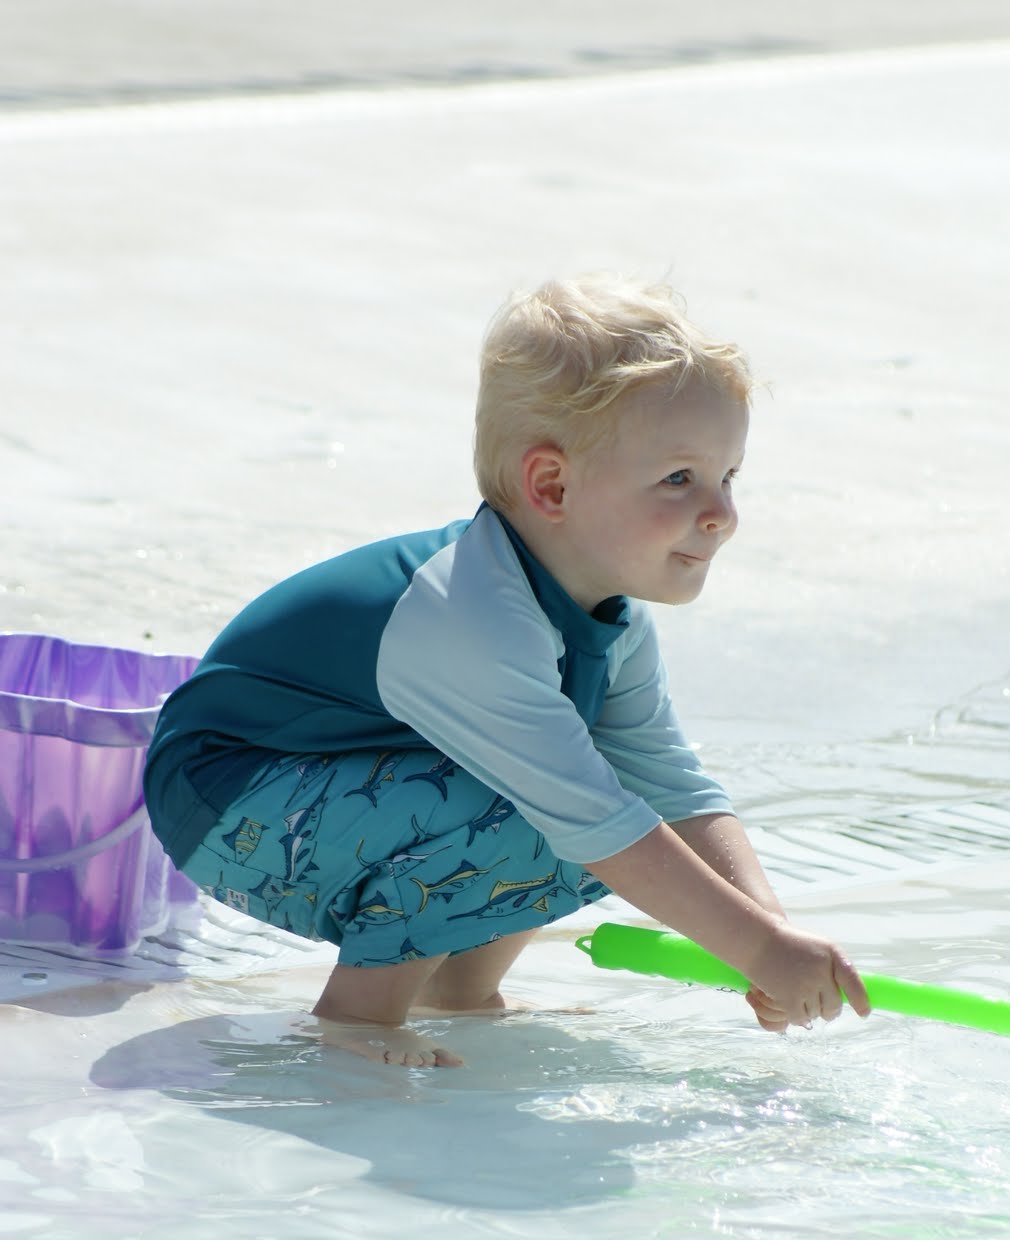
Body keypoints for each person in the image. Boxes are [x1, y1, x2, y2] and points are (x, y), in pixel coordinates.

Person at [144, 275, 870, 1066]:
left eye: (728, 478)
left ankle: (457, 990)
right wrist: (758, 950)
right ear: (550, 485)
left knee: (611, 815)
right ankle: (358, 1018)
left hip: (332, 791)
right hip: (228, 800)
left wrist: (768, 933)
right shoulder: (470, 612)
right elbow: (593, 820)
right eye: (678, 479)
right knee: (570, 816)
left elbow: (673, 786)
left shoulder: (610, 614)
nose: (721, 513)